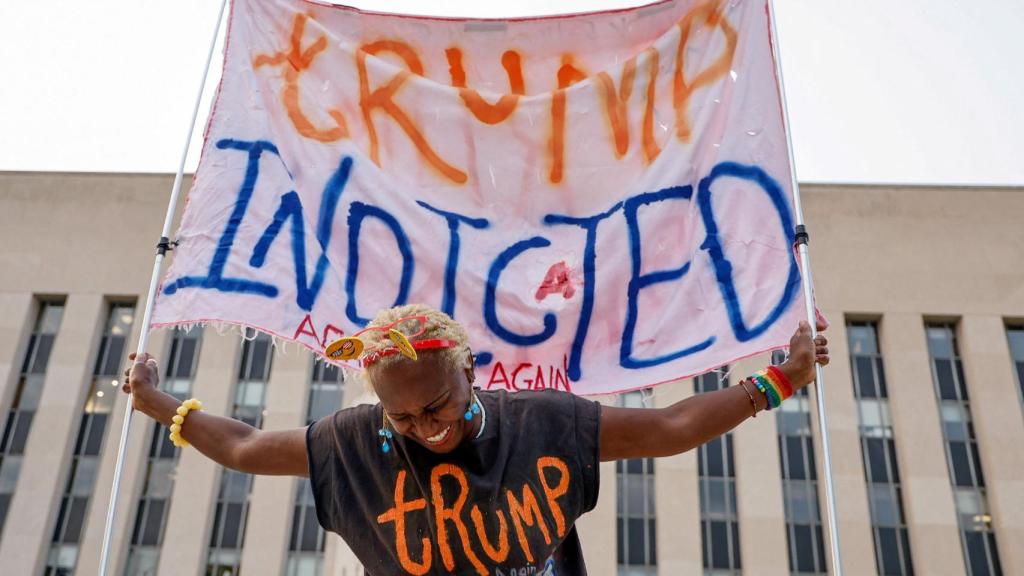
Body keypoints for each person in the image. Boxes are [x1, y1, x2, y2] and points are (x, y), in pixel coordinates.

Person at [124, 303, 828, 575]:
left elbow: (672, 429)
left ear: (472, 375)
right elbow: (245, 448)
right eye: (403, 421)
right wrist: (156, 402)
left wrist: (780, 381)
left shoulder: (546, 425)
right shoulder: (352, 442)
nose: (426, 431)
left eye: (438, 408)